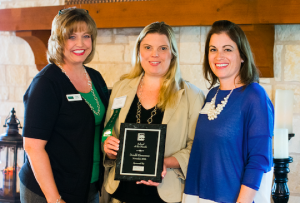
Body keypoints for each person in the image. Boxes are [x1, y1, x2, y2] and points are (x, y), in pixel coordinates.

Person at [102, 22, 205, 203]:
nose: (154, 54)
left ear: (172, 54)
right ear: (139, 52)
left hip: (166, 194)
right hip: (121, 194)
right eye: (147, 47)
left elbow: (198, 148)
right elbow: (108, 131)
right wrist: (108, 148)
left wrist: (165, 162)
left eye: (162, 48)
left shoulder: (192, 96)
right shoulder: (120, 88)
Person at [19, 8, 109, 203]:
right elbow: (33, 146)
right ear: (58, 40)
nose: (80, 43)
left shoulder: (95, 77)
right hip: (49, 192)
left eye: (86, 36)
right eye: (71, 36)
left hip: (88, 185)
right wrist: (54, 199)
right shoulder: (46, 83)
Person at [183, 20, 274, 203]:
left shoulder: (254, 95)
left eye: (228, 49)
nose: (219, 56)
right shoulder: (211, 95)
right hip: (199, 196)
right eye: (213, 49)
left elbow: (259, 159)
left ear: (242, 55)